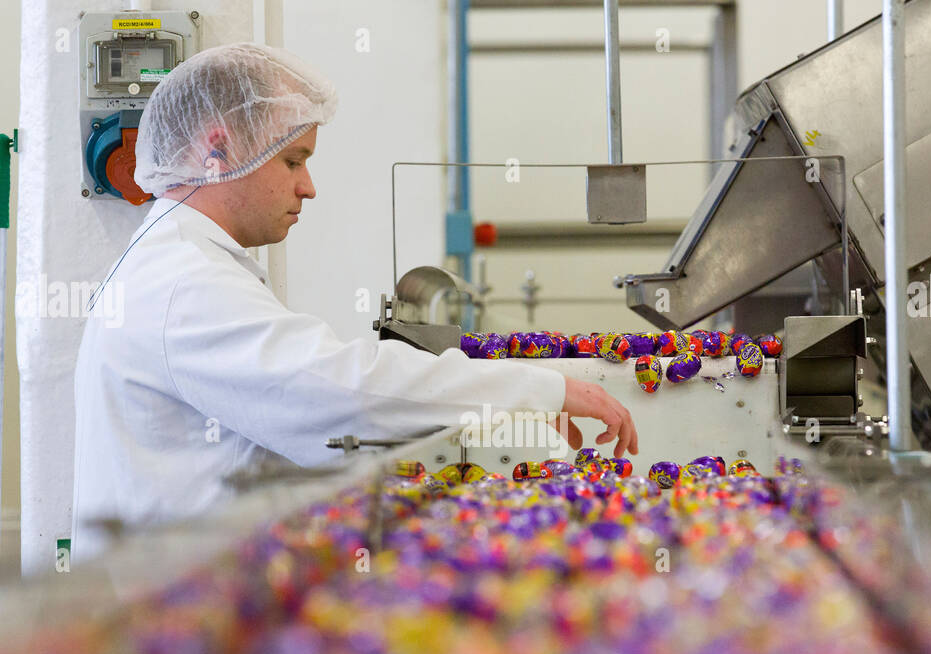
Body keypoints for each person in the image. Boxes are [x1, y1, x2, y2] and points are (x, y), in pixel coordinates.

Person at [71, 42, 637, 563]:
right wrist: (541, 389)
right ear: (218, 149)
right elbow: (341, 392)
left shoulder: (185, 258)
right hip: (179, 615)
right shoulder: (183, 282)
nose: (308, 186)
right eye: (293, 160)